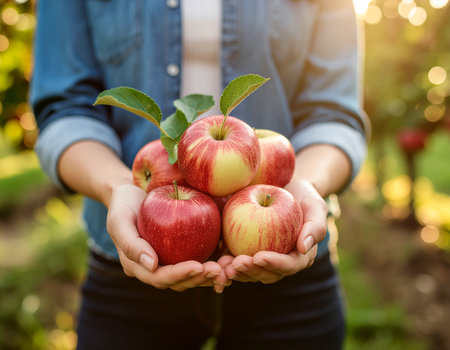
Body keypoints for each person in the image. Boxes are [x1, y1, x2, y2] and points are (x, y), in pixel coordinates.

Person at [31, 0, 370, 349]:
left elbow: (334, 117)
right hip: (136, 254)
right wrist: (116, 185)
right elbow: (65, 110)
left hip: (288, 262)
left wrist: (308, 184)